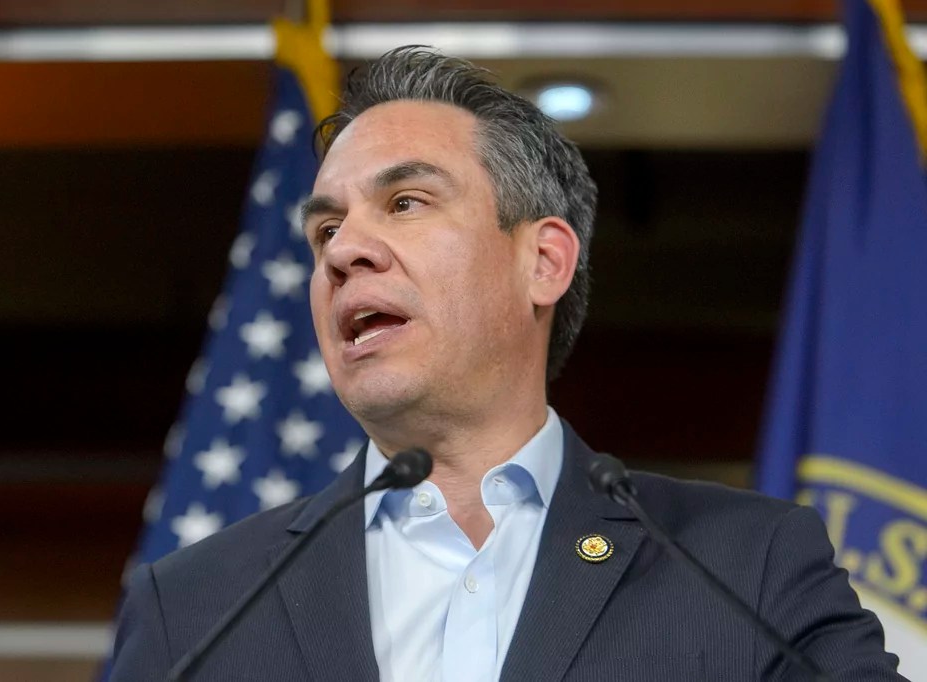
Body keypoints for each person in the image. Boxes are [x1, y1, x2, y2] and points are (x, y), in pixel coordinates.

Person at [111, 47, 903, 681]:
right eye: (324, 232)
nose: (345, 251)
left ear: (544, 262)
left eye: (406, 202)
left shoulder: (746, 566)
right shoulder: (195, 607)